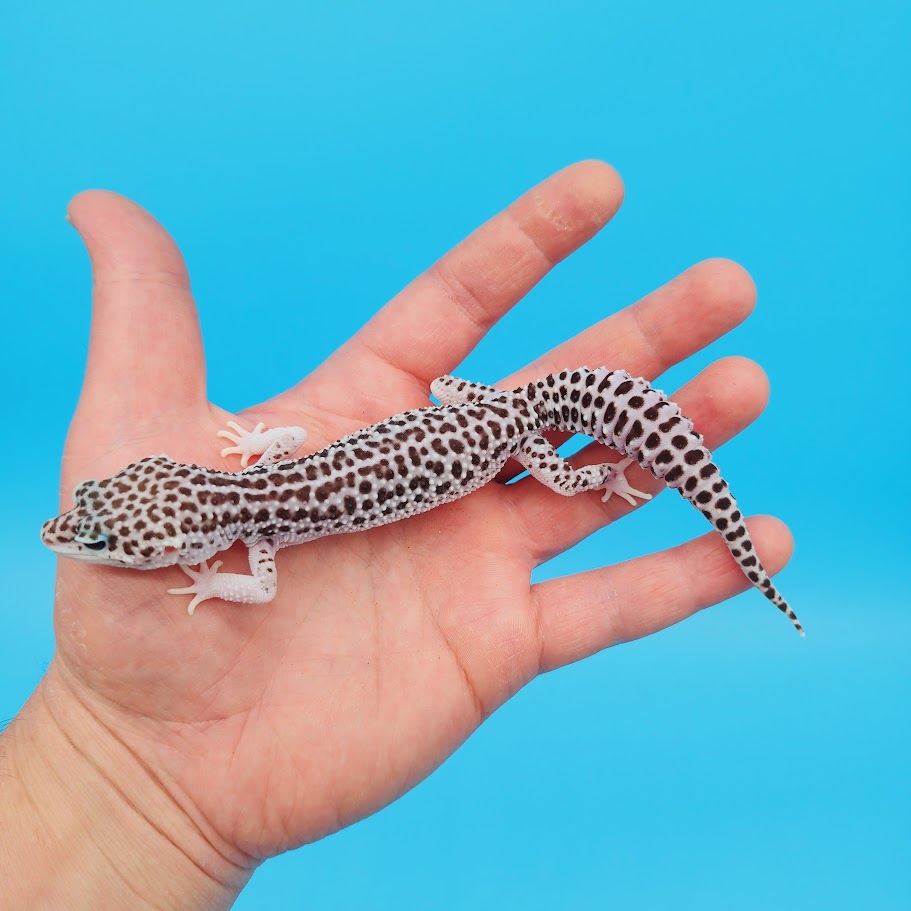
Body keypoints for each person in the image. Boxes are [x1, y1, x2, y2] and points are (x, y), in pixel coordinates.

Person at [0, 161, 791, 910]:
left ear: (178, 533)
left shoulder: (257, 528)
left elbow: (260, 583)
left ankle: (634, 484)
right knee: (546, 440)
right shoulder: (259, 500)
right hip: (470, 407)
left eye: (105, 534)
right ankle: (661, 492)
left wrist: (213, 581)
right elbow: (278, 458)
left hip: (501, 433)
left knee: (573, 482)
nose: (72, 536)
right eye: (102, 529)